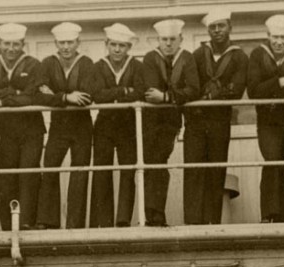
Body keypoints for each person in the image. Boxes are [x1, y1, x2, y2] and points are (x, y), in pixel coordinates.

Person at [183, 8, 248, 226]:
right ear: (208, 30)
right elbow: (190, 85)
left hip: (220, 121)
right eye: (213, 27)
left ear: (230, 27)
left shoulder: (239, 56)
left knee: (215, 172)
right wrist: (212, 92)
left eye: (221, 26)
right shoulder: (198, 54)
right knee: (193, 171)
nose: (217, 31)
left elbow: (236, 89)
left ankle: (212, 223)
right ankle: (193, 223)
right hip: (196, 121)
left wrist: (210, 94)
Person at [0, 23, 45, 230]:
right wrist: (15, 93)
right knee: (7, 178)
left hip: (31, 129)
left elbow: (32, 96)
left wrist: (0, 100)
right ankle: (8, 226)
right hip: (6, 131)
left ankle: (27, 222)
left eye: (16, 44)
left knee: (28, 174)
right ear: (0, 43)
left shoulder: (33, 64)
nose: (11, 48)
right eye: (7, 44)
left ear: (22, 44)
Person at [86, 24, 146, 228]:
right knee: (102, 171)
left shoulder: (137, 66)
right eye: (114, 45)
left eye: (122, 45)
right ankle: (103, 220)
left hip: (128, 125)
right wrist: (123, 92)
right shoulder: (98, 66)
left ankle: (122, 219)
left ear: (128, 47)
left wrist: (112, 92)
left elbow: (140, 91)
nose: (118, 50)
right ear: (107, 45)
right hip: (104, 125)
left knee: (128, 171)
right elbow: (96, 94)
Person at [35, 22, 94, 230]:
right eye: (62, 43)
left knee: (79, 173)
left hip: (82, 126)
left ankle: (74, 224)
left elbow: (87, 95)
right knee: (50, 168)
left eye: (70, 42)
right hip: (58, 126)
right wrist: (68, 97)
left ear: (78, 42)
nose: (66, 47)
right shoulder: (48, 63)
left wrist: (56, 96)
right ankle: (47, 221)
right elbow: (40, 92)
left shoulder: (87, 63)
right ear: (55, 43)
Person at [247, 14, 284, 223]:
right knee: (272, 162)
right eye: (275, 37)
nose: (279, 42)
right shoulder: (257, 54)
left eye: (283, 37)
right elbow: (253, 90)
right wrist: (281, 81)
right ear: (268, 36)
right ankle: (269, 215)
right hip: (268, 119)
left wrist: (270, 86)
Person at [141, 19, 200, 226]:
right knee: (152, 164)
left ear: (180, 39)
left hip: (171, 122)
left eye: (172, 39)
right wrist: (177, 94)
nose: (168, 43)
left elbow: (193, 89)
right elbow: (150, 91)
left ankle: (157, 213)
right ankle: (153, 215)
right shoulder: (150, 58)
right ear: (158, 40)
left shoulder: (187, 59)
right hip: (150, 122)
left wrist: (166, 97)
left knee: (159, 163)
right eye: (164, 39)